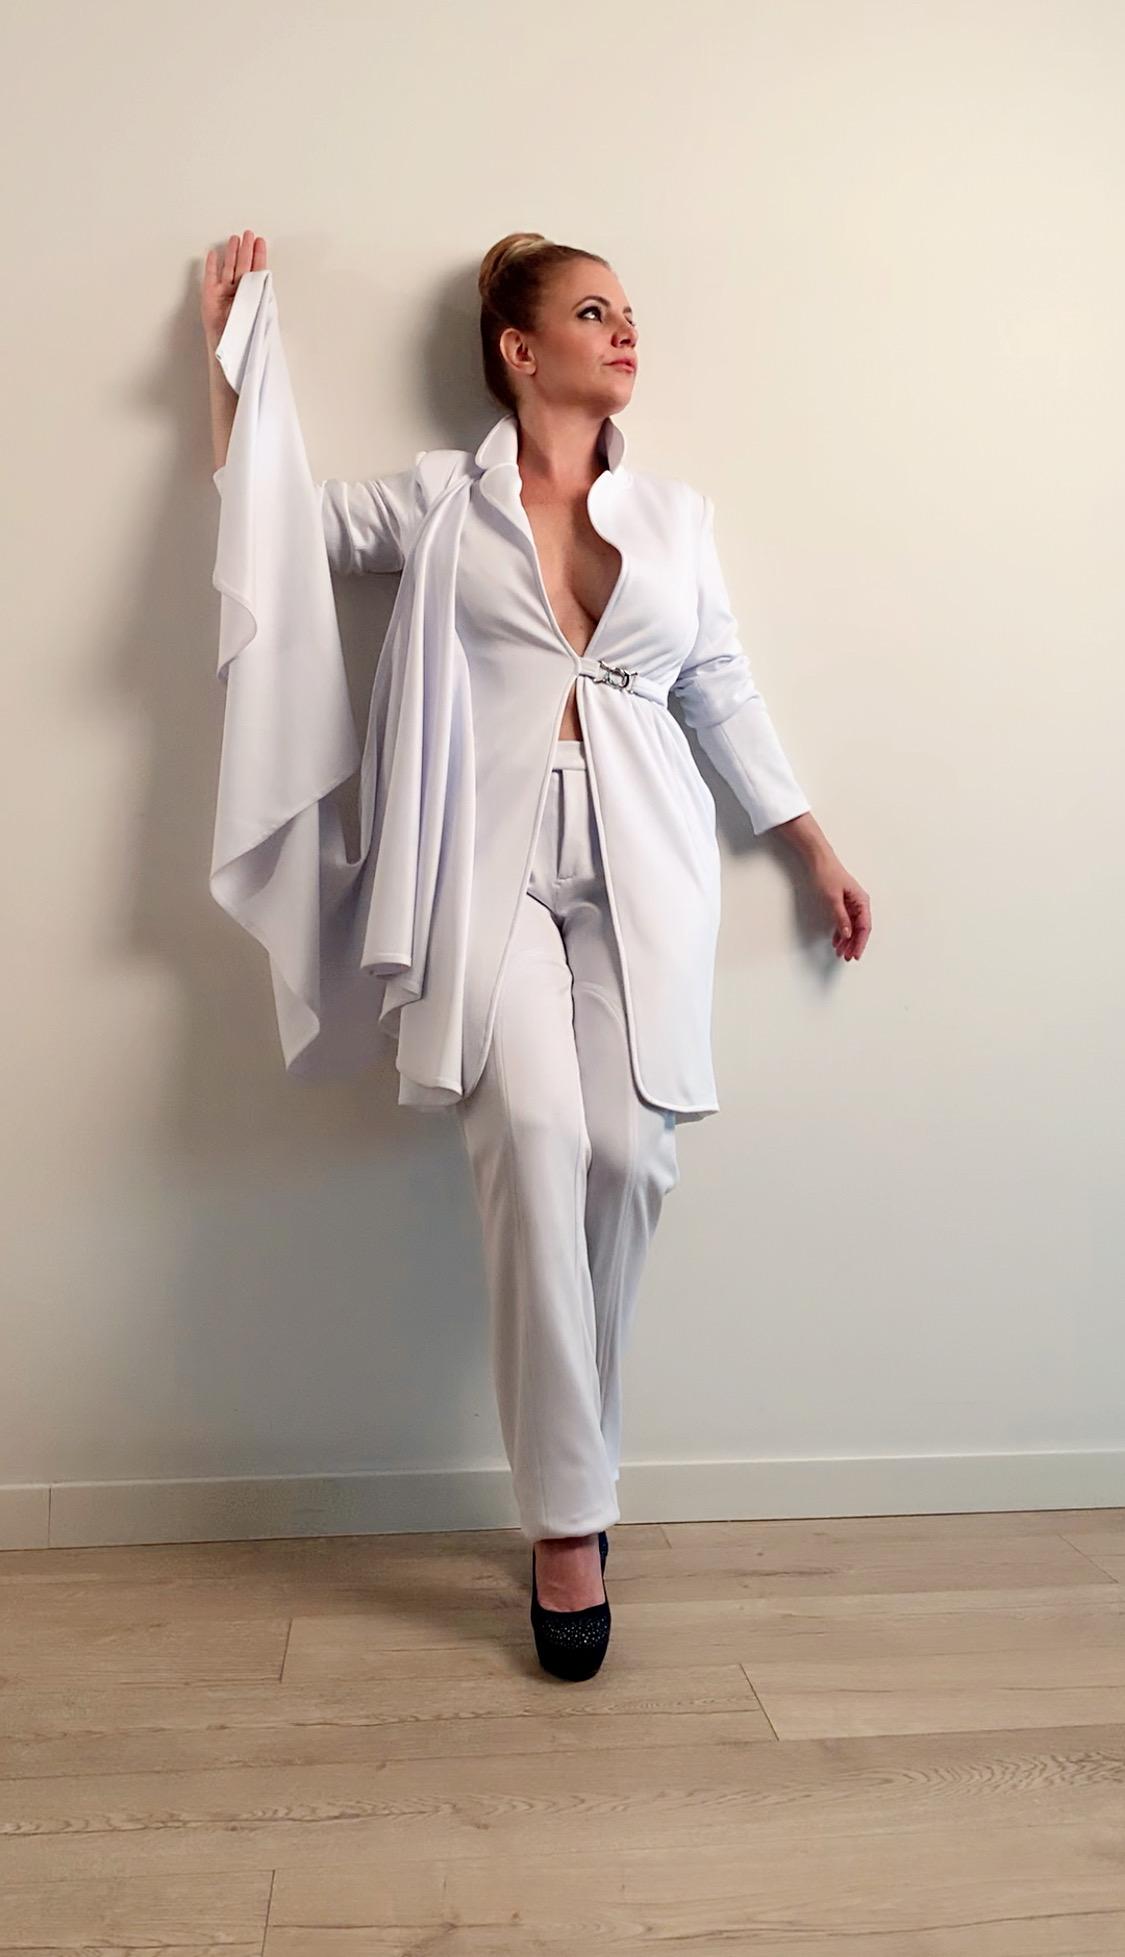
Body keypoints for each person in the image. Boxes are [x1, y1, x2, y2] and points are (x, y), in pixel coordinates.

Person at [201, 229, 872, 1679]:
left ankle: (580, 1461)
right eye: (592, 310)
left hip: (644, 863)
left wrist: (809, 843)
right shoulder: (440, 501)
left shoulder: (672, 515)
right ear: (519, 348)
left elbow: (718, 685)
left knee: (630, 1153)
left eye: (628, 311)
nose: (625, 331)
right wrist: (232, 372)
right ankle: (568, 1524)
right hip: (482, 863)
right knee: (535, 1130)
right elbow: (275, 531)